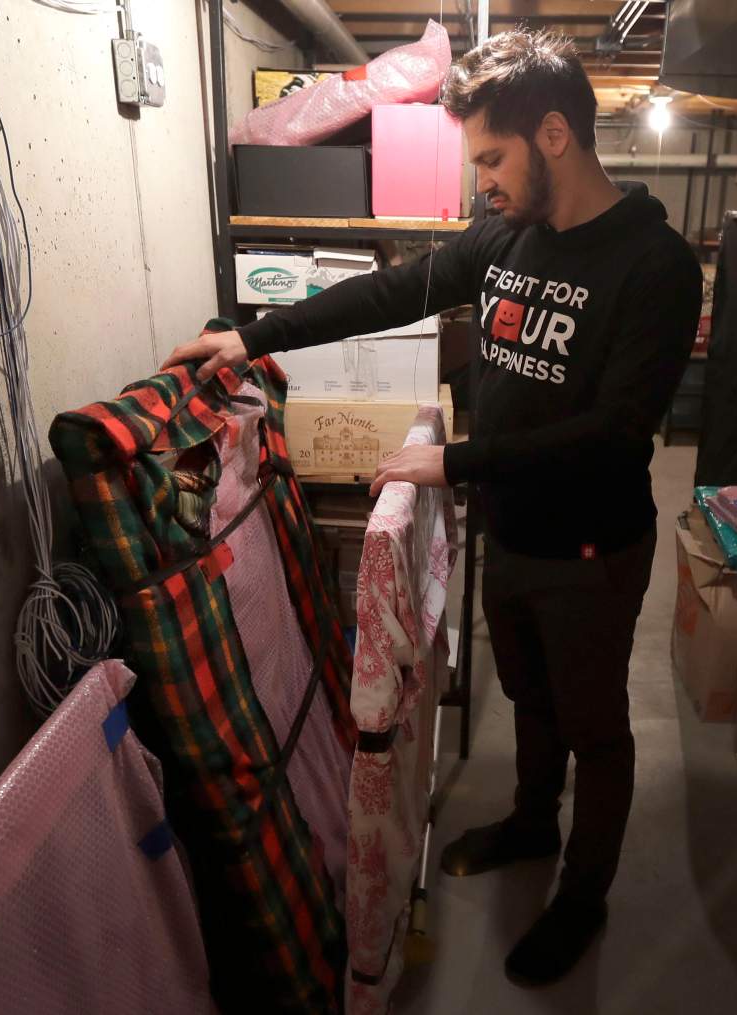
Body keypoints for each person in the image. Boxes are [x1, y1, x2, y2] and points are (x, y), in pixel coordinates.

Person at [164, 28, 702, 989]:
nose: (481, 182)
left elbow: (619, 433)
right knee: (531, 699)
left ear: (553, 136)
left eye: (491, 158)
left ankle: (584, 895)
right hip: (518, 528)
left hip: (593, 547)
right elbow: (400, 287)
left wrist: (449, 461)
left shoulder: (654, 266)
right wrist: (256, 335)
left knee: (595, 726)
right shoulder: (504, 236)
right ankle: (534, 823)